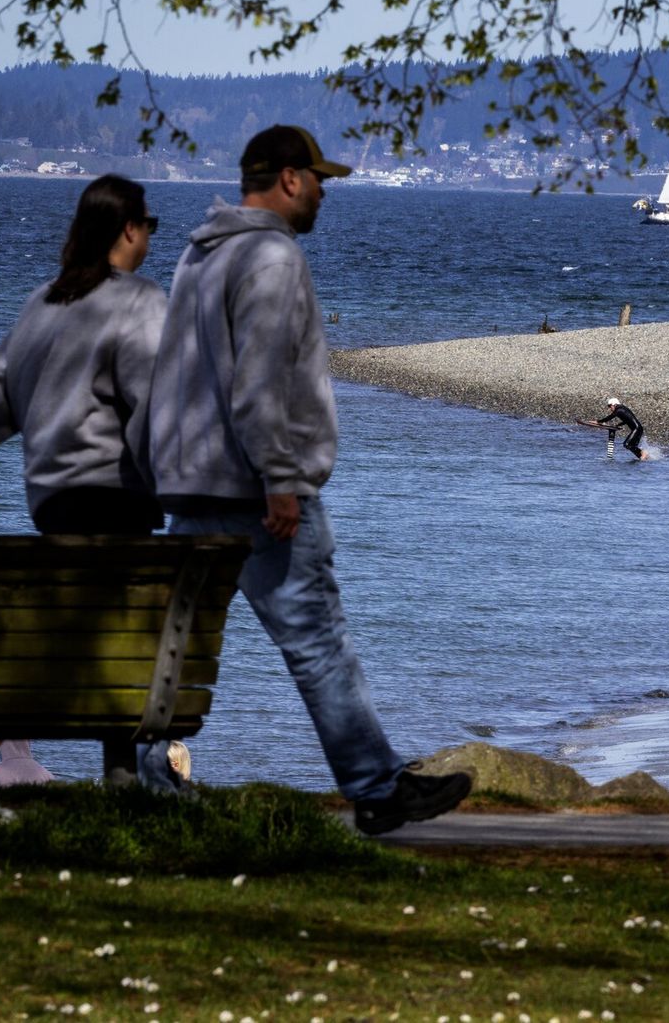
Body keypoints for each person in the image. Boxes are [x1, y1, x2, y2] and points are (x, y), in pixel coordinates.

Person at [140, 125, 471, 837]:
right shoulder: (272, 258)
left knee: (180, 641)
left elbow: (175, 376)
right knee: (319, 643)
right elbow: (259, 385)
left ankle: (144, 777)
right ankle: (376, 787)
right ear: (289, 180)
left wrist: (162, 470)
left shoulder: (197, 257)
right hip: (255, 494)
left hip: (190, 485)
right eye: (319, 178)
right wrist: (281, 479)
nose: (325, 191)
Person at [0, 173, 166, 825]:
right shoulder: (138, 302)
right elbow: (159, 406)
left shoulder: (41, 303)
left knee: (102, 633)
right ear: (129, 229)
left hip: (53, 499)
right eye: (149, 228)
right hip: (117, 497)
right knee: (88, 638)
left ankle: (121, 780)